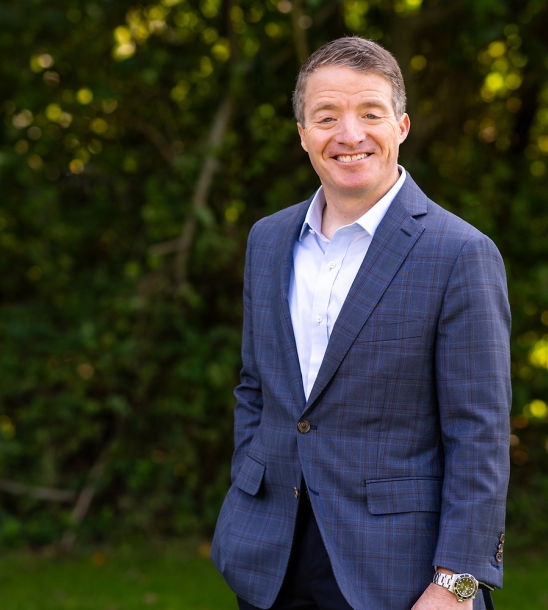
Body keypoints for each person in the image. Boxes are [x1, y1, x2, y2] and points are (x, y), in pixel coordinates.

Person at [210, 37, 511, 610]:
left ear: (400, 125)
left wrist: (456, 586)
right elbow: (256, 386)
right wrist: (249, 488)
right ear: (303, 134)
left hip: (397, 576)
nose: (349, 134)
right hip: (268, 559)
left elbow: (480, 438)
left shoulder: (459, 253)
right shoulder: (268, 241)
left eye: (369, 113)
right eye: (327, 117)